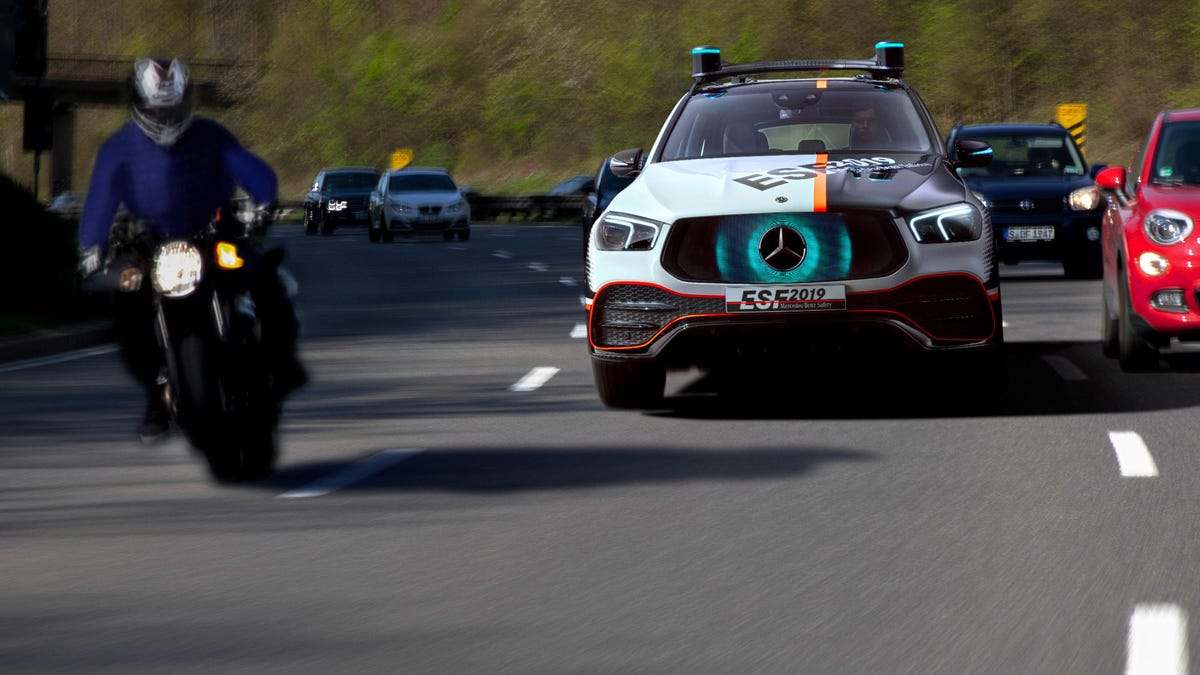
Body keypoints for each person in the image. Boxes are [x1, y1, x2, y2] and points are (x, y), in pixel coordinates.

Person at [77, 57, 305, 443]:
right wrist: (91, 249)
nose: (165, 116)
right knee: (127, 307)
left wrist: (263, 202)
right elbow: (100, 200)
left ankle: (282, 364)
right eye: (157, 109)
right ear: (139, 104)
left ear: (186, 101)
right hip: (151, 245)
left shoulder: (211, 136)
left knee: (267, 280)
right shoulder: (119, 148)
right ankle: (155, 397)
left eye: (172, 108)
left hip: (215, 235)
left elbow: (251, 170)